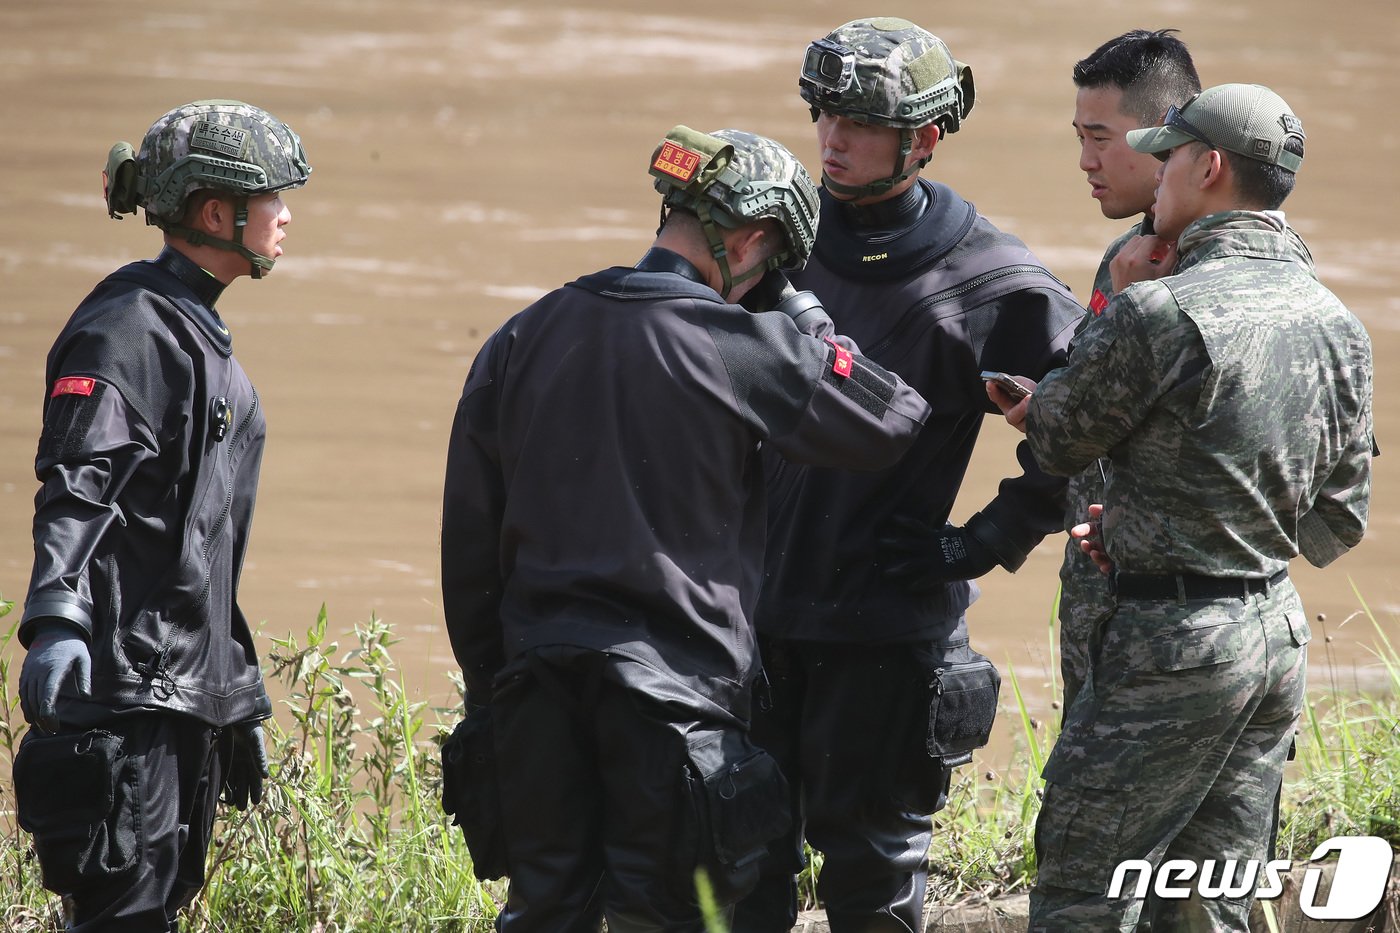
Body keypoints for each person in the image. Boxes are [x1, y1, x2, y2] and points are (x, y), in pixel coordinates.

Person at [438, 125, 930, 933]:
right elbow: (893, 415)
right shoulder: (736, 345)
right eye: (772, 262)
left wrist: (491, 687)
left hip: (536, 689)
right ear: (749, 238)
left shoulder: (523, 334)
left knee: (545, 911)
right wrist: (797, 314)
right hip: (674, 702)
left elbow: (469, 543)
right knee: (668, 914)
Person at [991, 83, 1374, 930]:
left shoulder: (1157, 307)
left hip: (1168, 648)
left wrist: (1112, 303)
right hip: (1272, 639)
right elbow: (1335, 522)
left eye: (1167, 158)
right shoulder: (1338, 322)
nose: (1154, 175)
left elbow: (1056, 438)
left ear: (1209, 169)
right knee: (1210, 909)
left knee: (1084, 899)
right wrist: (1178, 524)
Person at [732, 18, 1085, 933]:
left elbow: (1092, 428)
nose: (830, 140)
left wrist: (983, 540)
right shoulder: (770, 245)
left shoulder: (994, 281)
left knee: (873, 886)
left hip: (887, 632)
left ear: (922, 138)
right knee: (733, 872)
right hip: (744, 621)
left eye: (857, 124)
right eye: (821, 116)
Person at [13, 100, 311, 932]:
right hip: (125, 699)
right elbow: (78, 482)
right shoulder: (127, 329)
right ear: (217, 213)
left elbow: (201, 547)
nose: (286, 215)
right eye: (271, 198)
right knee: (123, 915)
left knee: (156, 907)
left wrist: (236, 694)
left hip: (181, 697)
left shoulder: (194, 330)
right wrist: (55, 617)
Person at [1061, 29, 1201, 714]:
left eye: (1100, 138)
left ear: (1162, 137)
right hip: (1105, 594)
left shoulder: (1215, 271)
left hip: (1169, 616)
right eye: (1078, 137)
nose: (1085, 161)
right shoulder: (1129, 250)